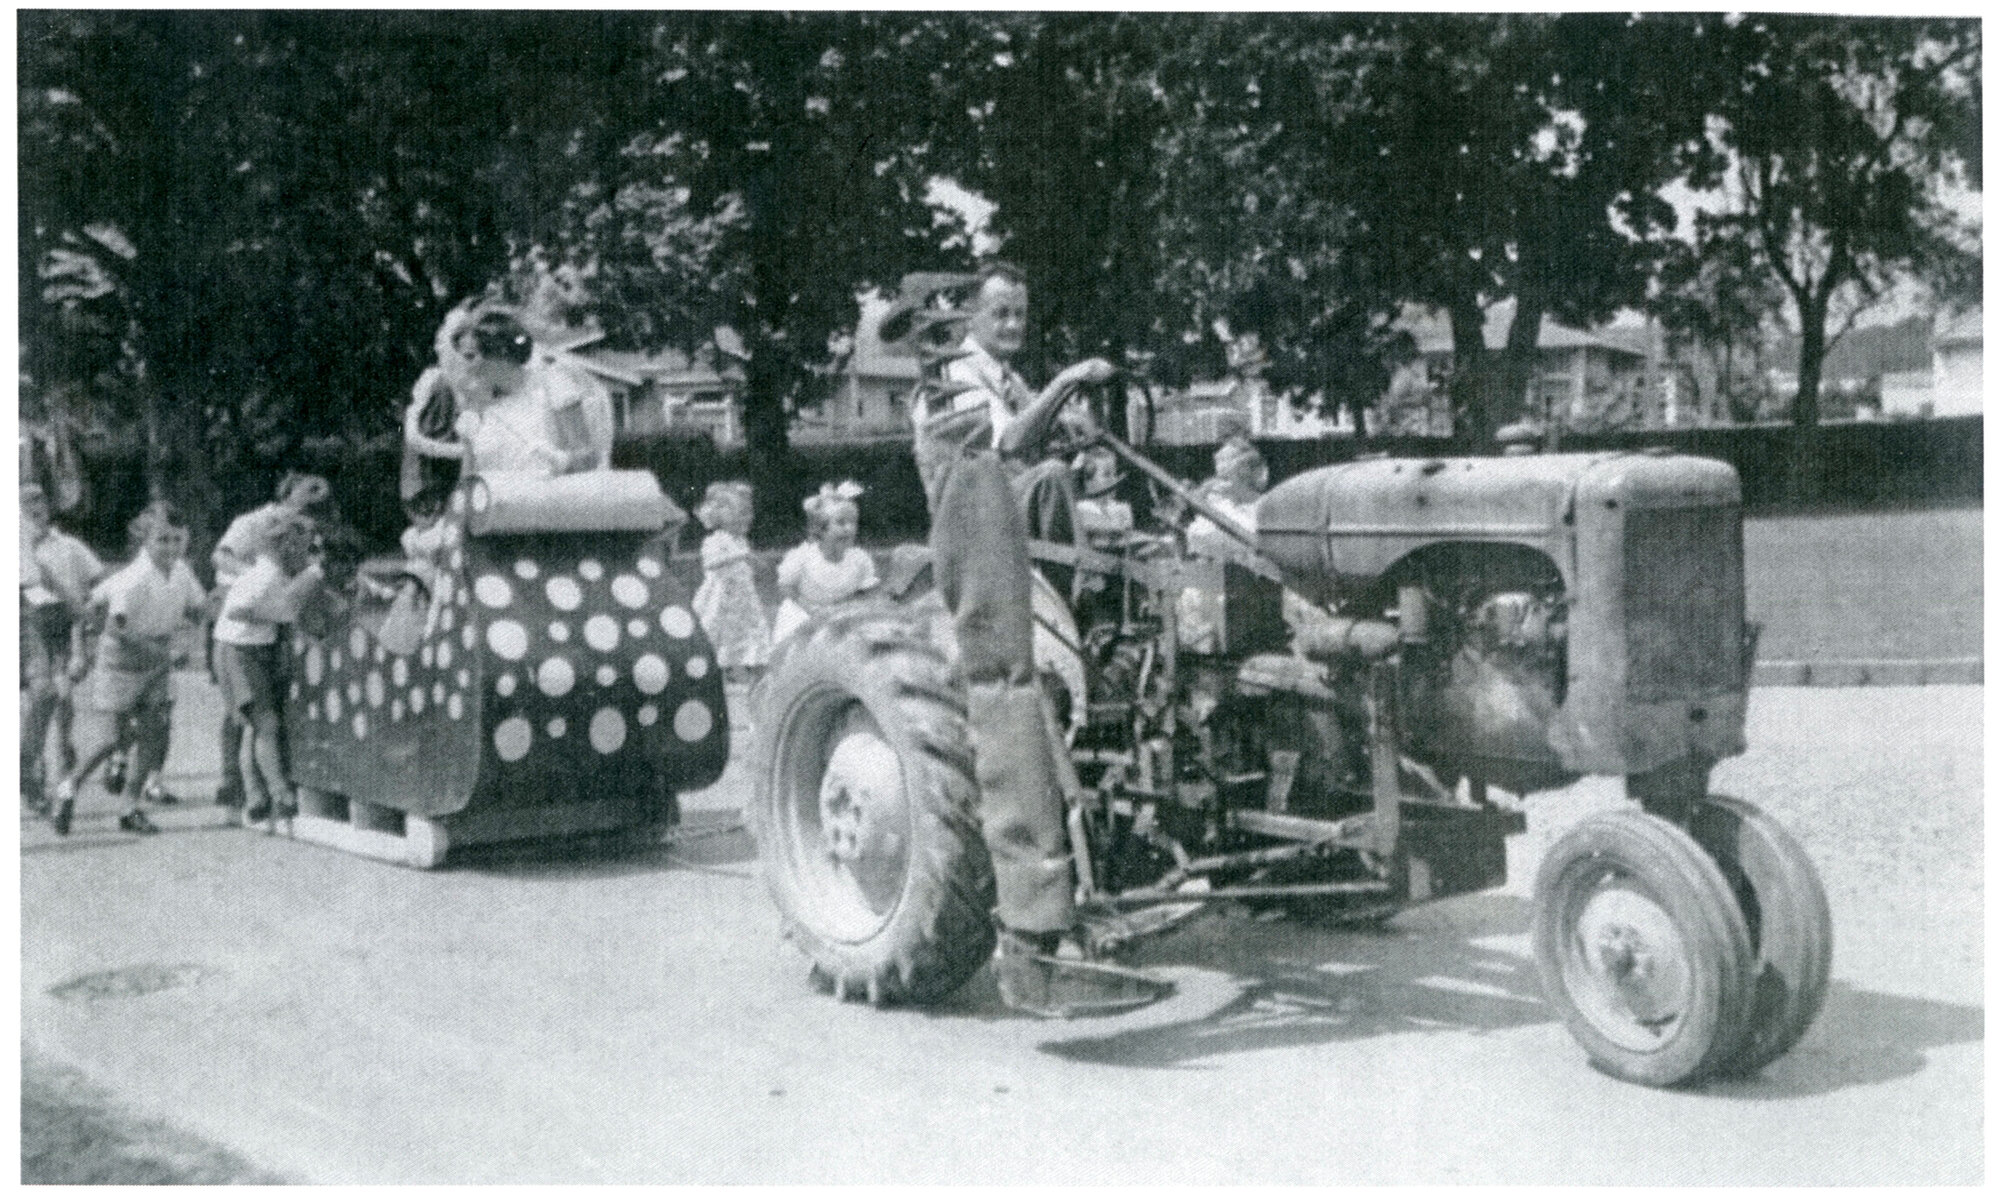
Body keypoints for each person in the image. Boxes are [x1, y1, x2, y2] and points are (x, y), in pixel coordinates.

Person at [903, 262, 1169, 1015]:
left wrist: (1080, 422)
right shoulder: (951, 382)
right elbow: (1004, 446)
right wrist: (1062, 388)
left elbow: (1037, 429)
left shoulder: (1005, 375)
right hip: (980, 531)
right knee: (1052, 478)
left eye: (1021, 312)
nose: (1012, 324)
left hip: (1021, 515)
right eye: (1000, 313)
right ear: (967, 320)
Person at [52, 501, 208, 835]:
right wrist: (161, 652)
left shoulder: (182, 571)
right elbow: (116, 628)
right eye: (162, 540)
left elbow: (198, 608)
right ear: (145, 541)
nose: (171, 547)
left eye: (177, 540)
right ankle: (69, 786)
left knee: (152, 734)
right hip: (120, 660)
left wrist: (198, 624)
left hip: (156, 660)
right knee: (113, 739)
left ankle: (129, 807)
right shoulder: (134, 578)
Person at [208, 472, 329, 810]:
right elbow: (237, 602)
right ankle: (268, 790)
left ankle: (257, 793)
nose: (314, 502)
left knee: (258, 722)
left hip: (260, 643)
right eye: (309, 493)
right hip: (240, 647)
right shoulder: (259, 541)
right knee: (259, 721)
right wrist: (276, 607)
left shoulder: (300, 536)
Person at [443, 308, 613, 478]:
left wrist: (561, 461)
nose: (465, 367)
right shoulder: (478, 403)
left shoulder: (553, 383)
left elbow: (590, 458)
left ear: (499, 351)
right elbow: (468, 481)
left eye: (470, 357)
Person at [19, 483, 105, 809]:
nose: (34, 506)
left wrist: (80, 612)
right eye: (26, 500)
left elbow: (43, 574)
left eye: (39, 500)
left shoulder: (58, 543)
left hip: (34, 619)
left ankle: (28, 771)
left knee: (46, 694)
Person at [771, 481, 877, 645]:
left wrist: (852, 609)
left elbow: (867, 592)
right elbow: (787, 588)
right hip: (804, 612)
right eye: (841, 523)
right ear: (819, 529)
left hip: (841, 615)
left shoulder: (859, 559)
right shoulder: (803, 557)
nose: (849, 528)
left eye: (853, 522)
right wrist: (811, 609)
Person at [690, 481, 772, 684]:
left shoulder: (740, 542)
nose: (748, 518)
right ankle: (721, 668)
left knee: (746, 631)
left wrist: (753, 563)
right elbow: (711, 563)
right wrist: (738, 556)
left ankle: (746, 666)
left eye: (749, 513)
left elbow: (745, 564)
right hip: (720, 597)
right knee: (720, 631)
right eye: (741, 513)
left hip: (742, 598)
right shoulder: (715, 540)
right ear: (721, 516)